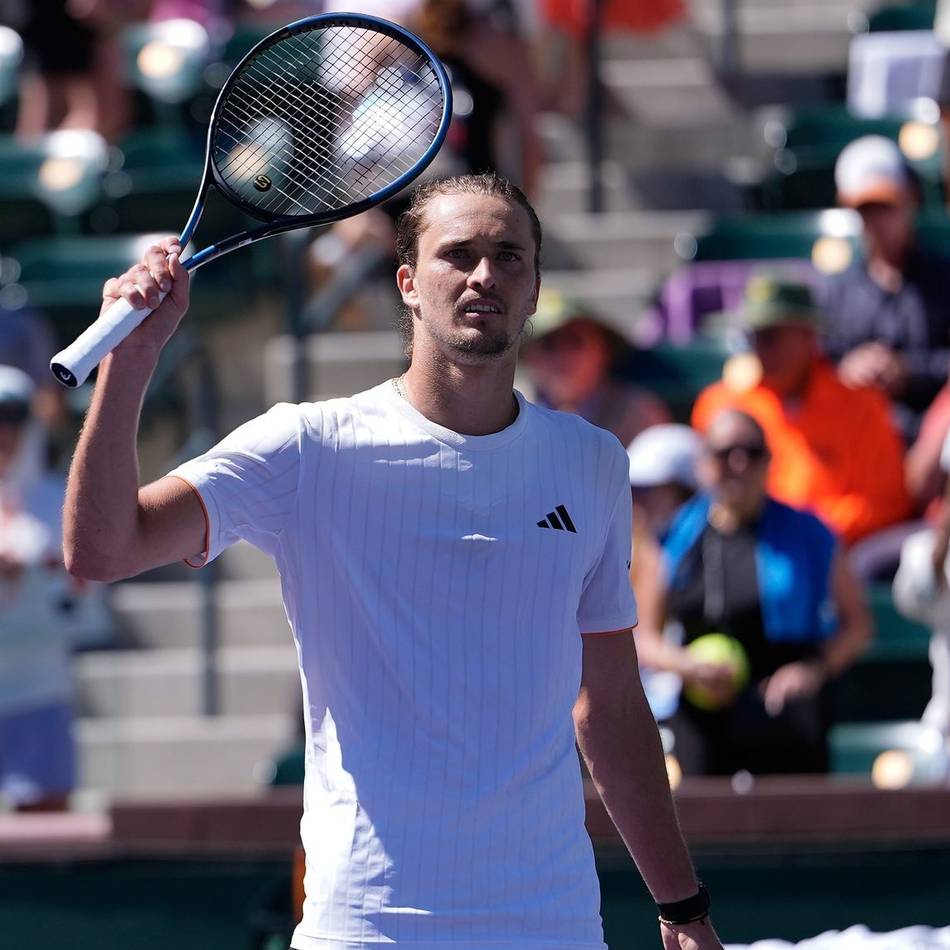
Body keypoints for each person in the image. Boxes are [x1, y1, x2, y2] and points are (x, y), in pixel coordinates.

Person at [64, 173, 723, 950]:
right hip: (365, 928)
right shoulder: (307, 446)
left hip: (551, 925)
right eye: (459, 255)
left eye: (510, 256)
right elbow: (103, 548)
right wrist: (129, 364)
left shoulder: (594, 464)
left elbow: (610, 710)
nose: (485, 274)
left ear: (537, 287)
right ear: (408, 284)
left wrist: (681, 908)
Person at [636, 409, 872, 777]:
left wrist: (813, 669)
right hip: (702, 708)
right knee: (700, 821)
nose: (739, 464)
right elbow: (644, 637)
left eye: (751, 452)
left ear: (769, 461)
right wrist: (687, 665)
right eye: (724, 453)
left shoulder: (811, 533)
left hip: (788, 707)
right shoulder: (674, 539)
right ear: (703, 463)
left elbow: (857, 626)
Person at [692, 276, 913, 549]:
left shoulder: (862, 406)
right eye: (756, 336)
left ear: (809, 336)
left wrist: (804, 532)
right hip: (737, 549)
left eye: (773, 336)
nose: (763, 347)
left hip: (836, 555)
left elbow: (885, 501)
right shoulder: (720, 405)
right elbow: (704, 496)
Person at [0, 366, 106, 811]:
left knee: (44, 850)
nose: (3, 435)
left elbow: (88, 614)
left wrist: (31, 576)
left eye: (13, 420)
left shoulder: (59, 505)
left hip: (40, 701)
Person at [819, 135, 950, 441]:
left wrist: (909, 372)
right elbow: (819, 363)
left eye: (886, 206)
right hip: (856, 440)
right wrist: (847, 369)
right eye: (866, 210)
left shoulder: (943, 281)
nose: (877, 221)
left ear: (911, 199)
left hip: (937, 436)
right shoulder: (837, 292)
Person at [520, 290, 672, 447]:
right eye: (549, 344)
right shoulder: (508, 410)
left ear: (603, 351)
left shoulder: (640, 414)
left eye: (574, 342)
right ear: (528, 357)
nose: (563, 356)